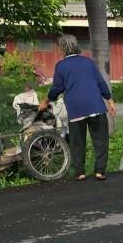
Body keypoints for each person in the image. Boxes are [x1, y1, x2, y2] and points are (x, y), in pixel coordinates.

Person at [40, 35, 115, 180]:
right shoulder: (88, 62)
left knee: (77, 142)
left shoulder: (61, 66)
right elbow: (100, 82)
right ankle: (100, 171)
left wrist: (46, 100)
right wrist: (110, 100)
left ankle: (80, 172)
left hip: (76, 109)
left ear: (63, 48)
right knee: (101, 140)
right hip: (96, 106)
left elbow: (57, 88)